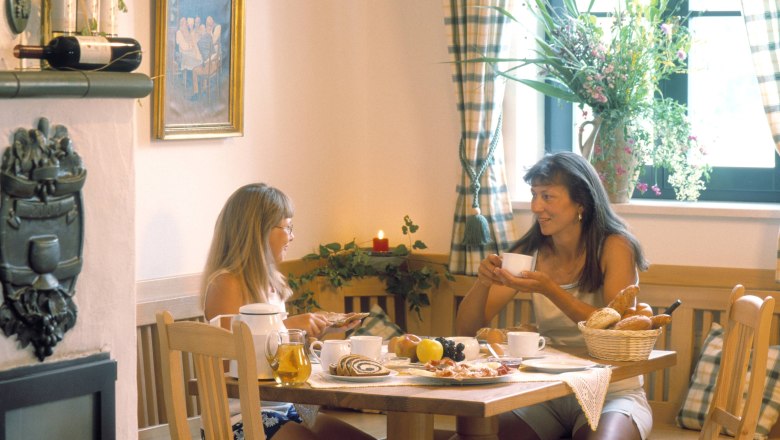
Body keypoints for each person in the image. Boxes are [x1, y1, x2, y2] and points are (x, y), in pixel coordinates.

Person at [456, 152, 651, 440]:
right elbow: (465, 330)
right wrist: (482, 282)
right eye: (534, 195)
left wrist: (550, 289)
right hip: (544, 392)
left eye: (547, 196)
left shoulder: (615, 246)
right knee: (475, 435)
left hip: (612, 391)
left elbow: (615, 331)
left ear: (581, 201)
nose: (536, 207)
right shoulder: (529, 251)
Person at [202, 183, 373, 440]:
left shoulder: (270, 285)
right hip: (238, 420)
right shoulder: (226, 284)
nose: (292, 237)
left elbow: (278, 361)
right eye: (287, 227)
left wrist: (321, 332)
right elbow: (230, 362)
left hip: (285, 409)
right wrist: (291, 327)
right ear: (258, 231)